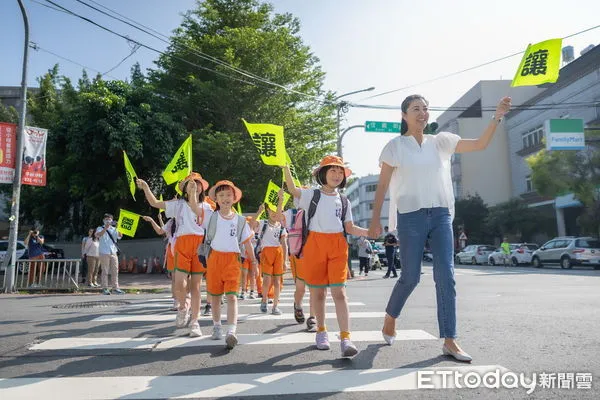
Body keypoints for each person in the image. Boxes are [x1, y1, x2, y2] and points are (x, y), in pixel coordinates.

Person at [369, 94, 511, 363]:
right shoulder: (395, 147)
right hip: (410, 216)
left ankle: (450, 339)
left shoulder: (441, 141)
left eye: (425, 108)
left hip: (441, 215)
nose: (422, 113)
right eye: (415, 109)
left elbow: (480, 144)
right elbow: (383, 185)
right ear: (404, 115)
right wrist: (376, 219)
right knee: (410, 276)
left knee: (446, 275)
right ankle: (390, 317)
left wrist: (497, 116)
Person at [283, 155, 370, 358]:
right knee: (319, 293)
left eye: (340, 172)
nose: (337, 175)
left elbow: (349, 227)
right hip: (314, 245)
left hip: (338, 246)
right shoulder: (311, 195)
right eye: (333, 170)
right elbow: (293, 190)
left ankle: (345, 337)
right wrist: (285, 168)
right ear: (323, 173)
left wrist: (368, 232)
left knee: (339, 292)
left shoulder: (344, 200)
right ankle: (321, 331)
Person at [137, 173, 212, 336]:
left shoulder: (206, 207)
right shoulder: (177, 204)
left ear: (202, 188)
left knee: (196, 287)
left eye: (197, 183)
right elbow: (155, 203)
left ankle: (194, 322)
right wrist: (146, 188)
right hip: (182, 244)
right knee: (179, 283)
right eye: (189, 184)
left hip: (199, 245)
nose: (194, 186)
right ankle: (183, 307)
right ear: (183, 188)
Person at [202, 180, 257, 349]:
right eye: (221, 195)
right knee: (216, 297)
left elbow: (247, 243)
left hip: (233, 260)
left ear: (234, 198)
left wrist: (253, 260)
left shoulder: (240, 221)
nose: (225, 198)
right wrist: (190, 191)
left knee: (232, 296)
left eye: (228, 195)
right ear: (216, 199)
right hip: (214, 260)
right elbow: (195, 208)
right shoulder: (210, 216)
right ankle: (217, 326)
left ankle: (232, 331)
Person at [276, 188, 317, 331]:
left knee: (315, 288)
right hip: (299, 255)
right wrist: (280, 200)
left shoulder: (317, 212)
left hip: (315, 254)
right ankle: (297, 305)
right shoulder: (292, 214)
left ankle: (313, 317)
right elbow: (277, 217)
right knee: (301, 289)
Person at [255, 203, 288, 315]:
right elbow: (250, 225)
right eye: (271, 210)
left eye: (277, 210)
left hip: (278, 253)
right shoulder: (263, 223)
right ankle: (264, 300)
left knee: (277, 281)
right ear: (267, 211)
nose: (274, 213)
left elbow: (284, 244)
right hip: (266, 253)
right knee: (267, 280)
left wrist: (285, 261)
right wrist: (259, 212)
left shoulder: (282, 227)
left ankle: (275, 306)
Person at [95, 214, 124, 295]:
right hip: (104, 252)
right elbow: (98, 235)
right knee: (105, 270)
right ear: (103, 220)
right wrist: (105, 228)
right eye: (106, 219)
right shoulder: (100, 228)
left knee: (115, 270)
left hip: (113, 252)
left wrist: (119, 227)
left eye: (110, 219)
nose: (108, 220)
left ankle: (115, 288)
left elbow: (120, 236)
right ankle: (105, 288)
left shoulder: (114, 229)